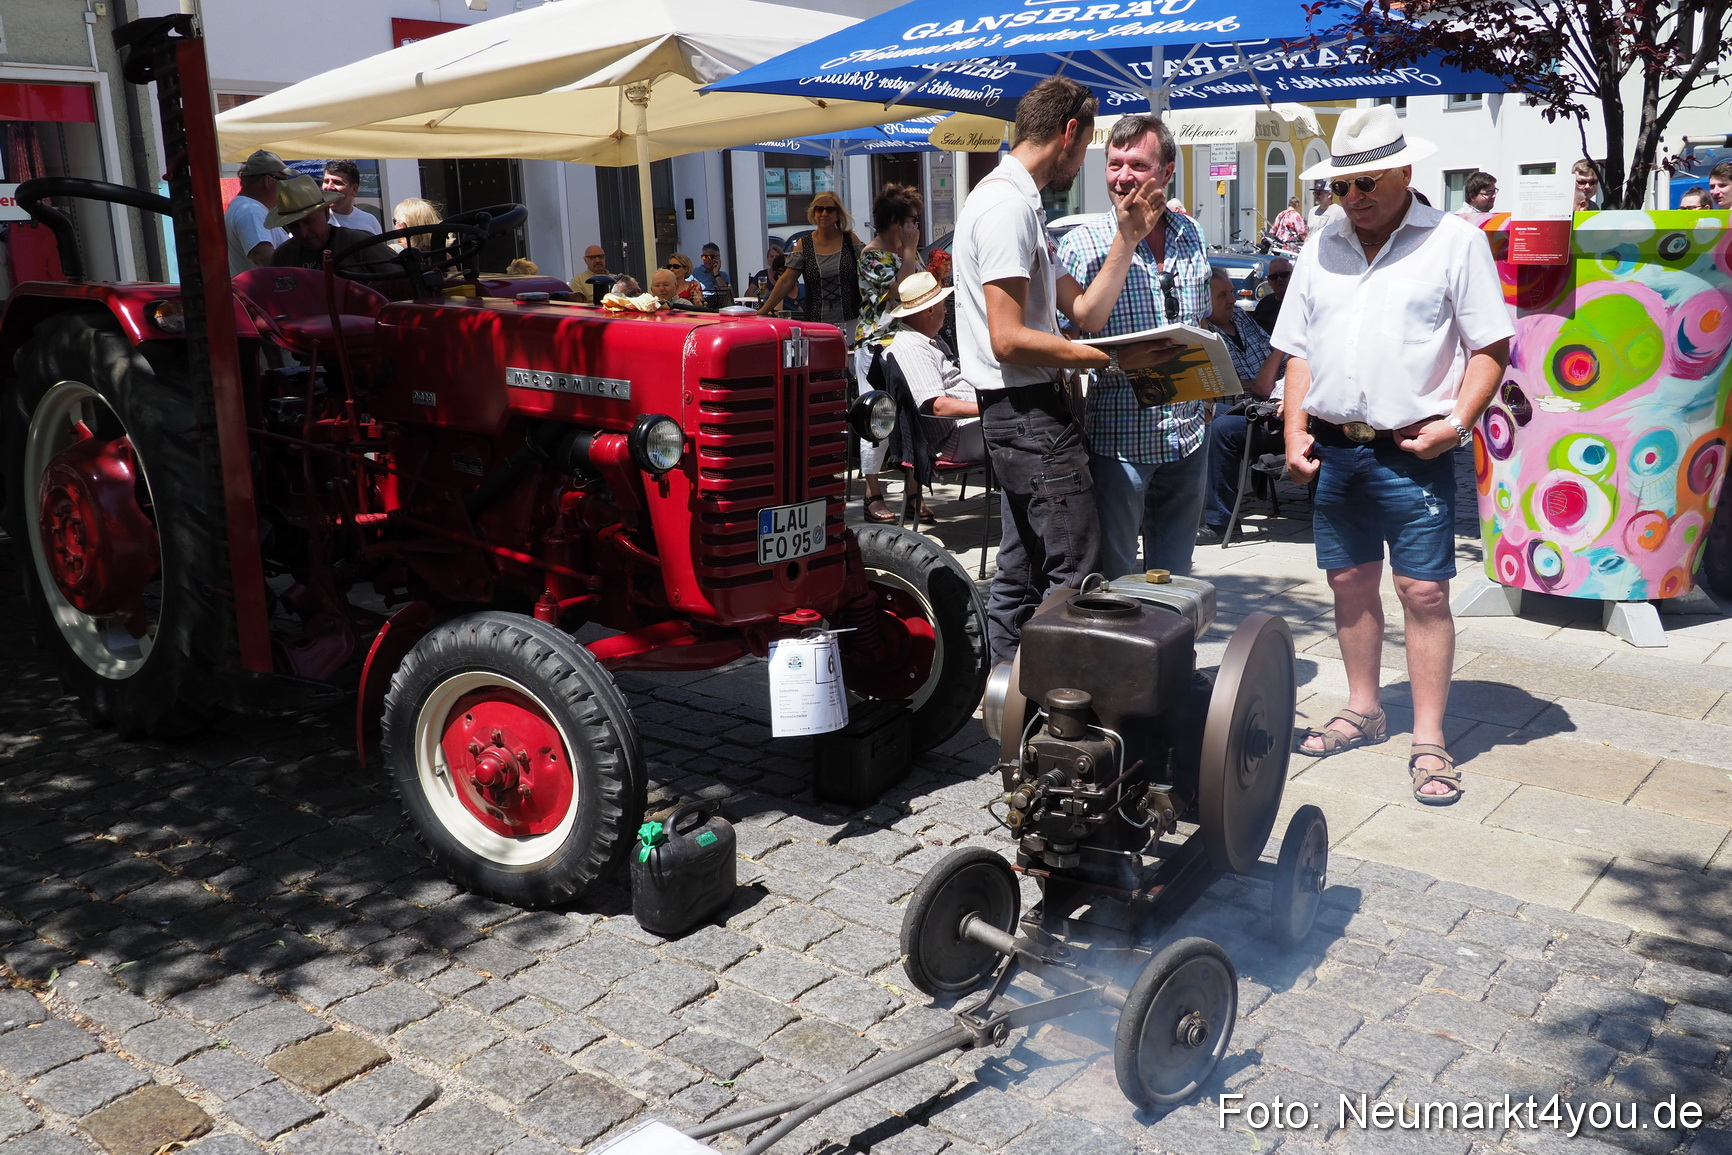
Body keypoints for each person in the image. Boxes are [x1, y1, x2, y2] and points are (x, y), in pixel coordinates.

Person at [1276, 105, 1512, 806]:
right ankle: (1364, 706)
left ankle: (1430, 736)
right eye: (1342, 187)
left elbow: (1491, 348)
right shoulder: (1322, 243)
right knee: (1349, 583)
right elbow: (1297, 352)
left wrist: (1459, 423)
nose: (1354, 198)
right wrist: (1294, 431)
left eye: (1368, 183)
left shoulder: (1453, 241)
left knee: (1424, 590)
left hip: (1415, 445)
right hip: (1336, 448)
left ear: (1407, 171)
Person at [955, 76, 1173, 664]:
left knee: (1023, 570)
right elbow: (1008, 338)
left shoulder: (1017, 200)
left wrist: (1126, 239)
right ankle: (1049, 710)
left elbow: (1084, 313)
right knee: (1075, 571)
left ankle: (1004, 701)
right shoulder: (1006, 205)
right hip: (1027, 415)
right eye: (1090, 145)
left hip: (1023, 414)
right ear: (1069, 133)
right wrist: (1107, 359)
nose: (1089, 163)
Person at [1057, 112, 1212, 580]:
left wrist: (1207, 396)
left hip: (1188, 435)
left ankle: (1172, 654)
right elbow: (1059, 347)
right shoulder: (1083, 245)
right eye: (1114, 164)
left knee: (1175, 575)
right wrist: (1120, 362)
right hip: (1120, 441)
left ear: (1166, 172)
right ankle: (1129, 656)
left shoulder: (1191, 234)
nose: (1123, 176)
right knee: (1117, 579)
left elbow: (1200, 318)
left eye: (1138, 165)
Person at [1196, 266, 1285, 545]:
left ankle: (1221, 523)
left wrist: (1258, 382)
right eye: (1222, 295)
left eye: (1232, 292)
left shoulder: (1243, 321)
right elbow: (1217, 384)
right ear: (1202, 300)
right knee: (1206, 414)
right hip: (1245, 406)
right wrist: (1257, 381)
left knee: (1222, 427)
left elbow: (1273, 370)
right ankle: (1208, 511)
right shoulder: (1201, 332)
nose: (1232, 300)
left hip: (1274, 408)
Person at [856, 184, 927, 523]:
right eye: (913, 219)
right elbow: (900, 295)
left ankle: (914, 493)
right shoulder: (872, 255)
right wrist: (911, 254)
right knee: (877, 422)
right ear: (896, 221)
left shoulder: (905, 251)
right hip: (877, 348)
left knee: (913, 418)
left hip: (909, 345)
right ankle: (873, 495)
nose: (917, 226)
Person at [886, 271, 985, 467]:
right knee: (1025, 425)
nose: (946, 310)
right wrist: (989, 408)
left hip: (963, 428)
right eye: (943, 305)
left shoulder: (925, 339)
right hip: (954, 437)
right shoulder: (913, 348)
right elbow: (937, 406)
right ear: (930, 310)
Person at [755, 192, 863, 341]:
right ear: (814, 213)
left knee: (850, 362)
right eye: (819, 209)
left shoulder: (850, 240)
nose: (824, 213)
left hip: (851, 323)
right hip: (816, 325)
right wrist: (762, 311)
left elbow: (868, 273)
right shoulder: (804, 244)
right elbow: (786, 281)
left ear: (838, 214)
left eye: (830, 209)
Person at [268, 175, 397, 272]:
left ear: (325, 213)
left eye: (308, 222)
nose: (303, 233)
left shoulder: (359, 244)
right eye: (294, 226)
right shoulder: (283, 257)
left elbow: (403, 278)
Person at [226, 150, 290, 275]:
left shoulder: (249, 207)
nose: (286, 187)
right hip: (258, 294)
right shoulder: (251, 210)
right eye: (284, 181)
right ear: (268, 180)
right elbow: (262, 257)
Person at [321, 160, 382, 235]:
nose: (329, 187)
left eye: (337, 182)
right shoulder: (316, 220)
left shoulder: (369, 221)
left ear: (354, 189)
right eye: (326, 181)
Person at [1252, 256, 1292, 335]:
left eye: (1284, 275)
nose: (1279, 279)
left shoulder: (1303, 304)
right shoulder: (1264, 303)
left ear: (1293, 276)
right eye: (1274, 277)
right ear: (1269, 281)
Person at [692, 242, 733, 307]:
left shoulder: (723, 275)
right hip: (702, 307)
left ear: (717, 258)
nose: (707, 260)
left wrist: (716, 274)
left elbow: (728, 296)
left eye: (710, 257)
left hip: (719, 308)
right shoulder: (694, 273)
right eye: (704, 257)